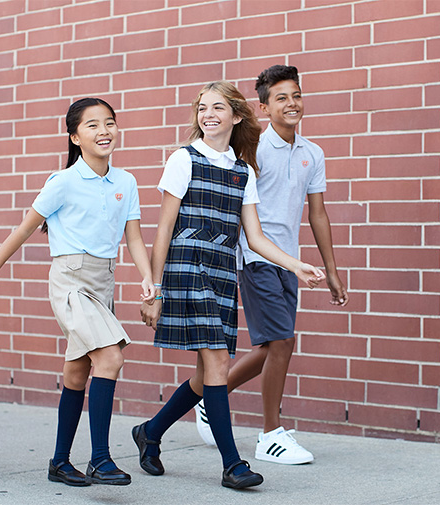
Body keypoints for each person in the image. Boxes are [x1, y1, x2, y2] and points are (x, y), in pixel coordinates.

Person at [135, 81, 326, 489]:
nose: (208, 114)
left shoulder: (244, 172)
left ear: (237, 116)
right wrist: (153, 288)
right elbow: (163, 229)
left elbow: (254, 238)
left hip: (222, 272)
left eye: (218, 107)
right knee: (219, 363)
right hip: (187, 269)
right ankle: (232, 464)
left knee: (208, 375)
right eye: (203, 108)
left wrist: (296, 266)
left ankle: (150, 432)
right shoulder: (182, 160)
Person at [0, 98, 153, 487]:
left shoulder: (126, 182)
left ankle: (59, 462)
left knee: (77, 371)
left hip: (104, 281)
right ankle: (100, 460)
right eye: (92, 125)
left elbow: (133, 237)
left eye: (110, 123)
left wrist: (148, 280)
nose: (104, 131)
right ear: (74, 136)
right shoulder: (63, 182)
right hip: (70, 281)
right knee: (110, 358)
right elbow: (23, 230)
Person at [192, 65, 349, 465]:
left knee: (271, 344)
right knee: (283, 341)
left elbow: (318, 214)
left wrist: (330, 269)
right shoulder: (254, 150)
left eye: (296, 95)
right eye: (281, 98)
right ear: (263, 107)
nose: (291, 103)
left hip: (289, 261)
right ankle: (270, 434)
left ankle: (214, 394)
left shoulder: (312, 153)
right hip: (255, 256)